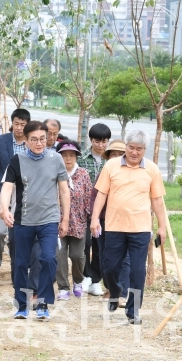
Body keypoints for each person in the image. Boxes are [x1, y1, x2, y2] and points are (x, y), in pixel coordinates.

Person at [91, 130, 167, 325]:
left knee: (137, 272)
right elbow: (101, 194)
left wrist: (162, 227)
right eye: (131, 148)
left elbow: (157, 200)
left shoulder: (152, 169)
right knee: (109, 267)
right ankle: (115, 292)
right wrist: (95, 219)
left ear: (144, 150)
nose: (134, 152)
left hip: (140, 229)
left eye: (139, 149)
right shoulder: (111, 166)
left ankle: (133, 311)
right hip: (114, 226)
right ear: (126, 147)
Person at [0, 121, 70, 320]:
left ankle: (43, 303)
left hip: (49, 219)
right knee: (21, 263)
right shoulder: (17, 160)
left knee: (48, 259)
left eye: (42, 139)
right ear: (26, 140)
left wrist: (65, 219)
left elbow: (64, 190)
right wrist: (5, 209)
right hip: (23, 220)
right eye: (34, 139)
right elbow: (7, 187)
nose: (39, 143)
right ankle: (22, 304)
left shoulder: (56, 159)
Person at [0, 108, 31, 283]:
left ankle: (16, 268)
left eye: (23, 125)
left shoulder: (31, 142)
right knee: (0, 232)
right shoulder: (1, 141)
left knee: (17, 235)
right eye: (16, 123)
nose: (19, 128)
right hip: (0, 190)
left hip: (23, 194)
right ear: (11, 123)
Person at [91, 139, 130, 305]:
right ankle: (111, 287)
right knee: (106, 257)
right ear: (108, 158)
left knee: (126, 257)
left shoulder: (134, 175)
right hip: (105, 221)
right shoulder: (104, 174)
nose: (117, 157)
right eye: (113, 154)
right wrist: (95, 219)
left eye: (120, 154)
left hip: (128, 221)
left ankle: (123, 292)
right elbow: (95, 198)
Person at [54, 140, 92, 300]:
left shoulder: (83, 174)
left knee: (77, 255)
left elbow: (90, 196)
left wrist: (92, 217)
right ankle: (63, 287)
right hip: (56, 221)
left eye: (71, 156)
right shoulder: (53, 173)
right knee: (59, 255)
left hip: (78, 222)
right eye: (64, 156)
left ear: (76, 157)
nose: (68, 159)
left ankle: (78, 280)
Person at [77, 123, 111, 297]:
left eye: (104, 141)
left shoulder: (110, 161)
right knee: (84, 244)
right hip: (83, 208)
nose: (101, 145)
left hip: (104, 211)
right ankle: (85, 275)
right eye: (97, 141)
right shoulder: (81, 158)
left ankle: (95, 280)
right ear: (91, 140)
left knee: (99, 245)